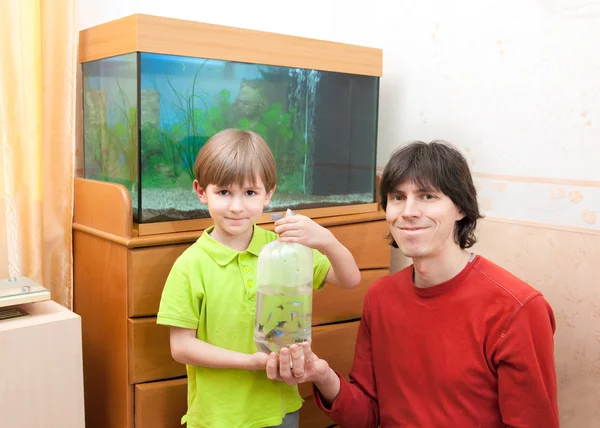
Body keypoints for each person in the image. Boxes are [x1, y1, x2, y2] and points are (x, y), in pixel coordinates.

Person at [266, 141, 559, 427]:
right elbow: (367, 415)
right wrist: (321, 374)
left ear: (460, 208)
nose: (408, 211)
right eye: (397, 197)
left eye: (427, 196)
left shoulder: (518, 308)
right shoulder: (380, 296)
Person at [156, 128, 361, 428]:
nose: (237, 206)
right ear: (201, 192)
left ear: (269, 194)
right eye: (224, 192)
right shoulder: (190, 265)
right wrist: (250, 362)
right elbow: (181, 347)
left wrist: (326, 239)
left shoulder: (286, 248)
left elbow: (350, 279)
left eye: (250, 193)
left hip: (279, 410)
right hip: (218, 418)